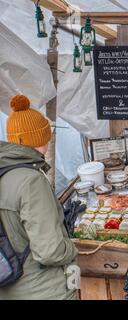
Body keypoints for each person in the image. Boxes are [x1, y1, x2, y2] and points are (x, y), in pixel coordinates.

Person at [0, 95, 78, 300]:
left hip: (10, 287)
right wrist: (72, 246)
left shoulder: (5, 172)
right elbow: (50, 251)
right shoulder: (31, 181)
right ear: (37, 138)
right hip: (44, 291)